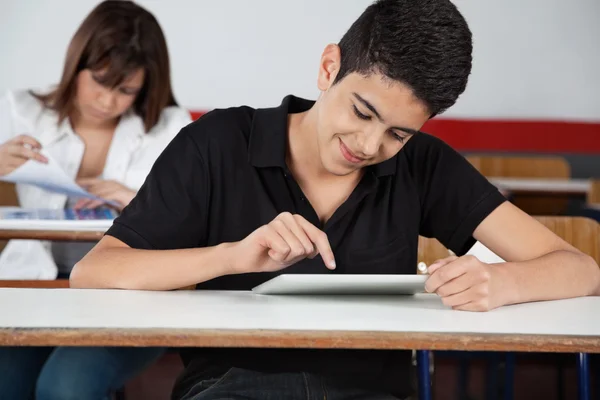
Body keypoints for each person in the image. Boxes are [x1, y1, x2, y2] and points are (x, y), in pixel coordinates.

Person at [72, 0, 600, 399]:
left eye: (399, 134)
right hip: (234, 387)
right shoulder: (219, 143)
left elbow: (580, 269)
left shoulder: (423, 164)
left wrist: (502, 281)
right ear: (329, 68)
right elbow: (94, 272)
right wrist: (231, 257)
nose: (369, 147)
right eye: (363, 113)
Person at [0, 1, 191, 399]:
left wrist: (134, 198)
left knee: (65, 388)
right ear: (76, 63)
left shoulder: (170, 127)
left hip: (129, 295)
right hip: (34, 288)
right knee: (7, 382)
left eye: (126, 90)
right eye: (100, 81)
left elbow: (193, 221)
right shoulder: (20, 110)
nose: (108, 101)